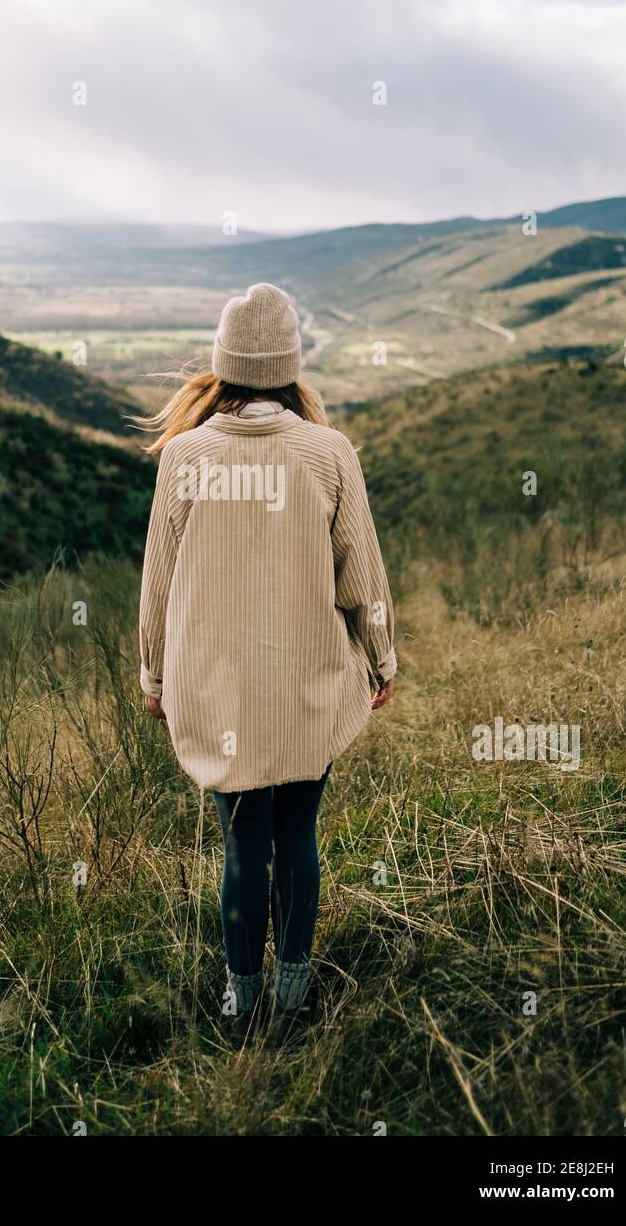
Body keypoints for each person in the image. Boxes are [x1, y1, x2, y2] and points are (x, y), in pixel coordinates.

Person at [137, 282, 396, 1046]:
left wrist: (153, 676)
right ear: (290, 367)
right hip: (309, 687)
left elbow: (157, 581)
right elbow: (364, 578)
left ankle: (239, 999)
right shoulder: (328, 453)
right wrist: (382, 661)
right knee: (300, 834)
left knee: (243, 845)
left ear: (225, 365)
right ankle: (294, 997)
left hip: (218, 697)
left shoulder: (185, 456)